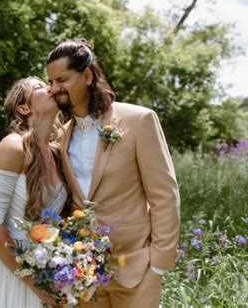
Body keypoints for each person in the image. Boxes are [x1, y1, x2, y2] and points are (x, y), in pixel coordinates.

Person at [46, 38, 180, 307]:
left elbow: (164, 196)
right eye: (50, 82)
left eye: (62, 80)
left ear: (87, 75)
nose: (54, 89)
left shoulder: (139, 120)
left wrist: (158, 266)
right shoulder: (61, 135)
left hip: (137, 269)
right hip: (84, 273)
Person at [0, 77, 70, 307]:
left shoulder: (57, 153)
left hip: (48, 268)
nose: (49, 88)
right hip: (11, 271)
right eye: (39, 87)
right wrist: (35, 284)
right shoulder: (12, 146)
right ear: (23, 108)